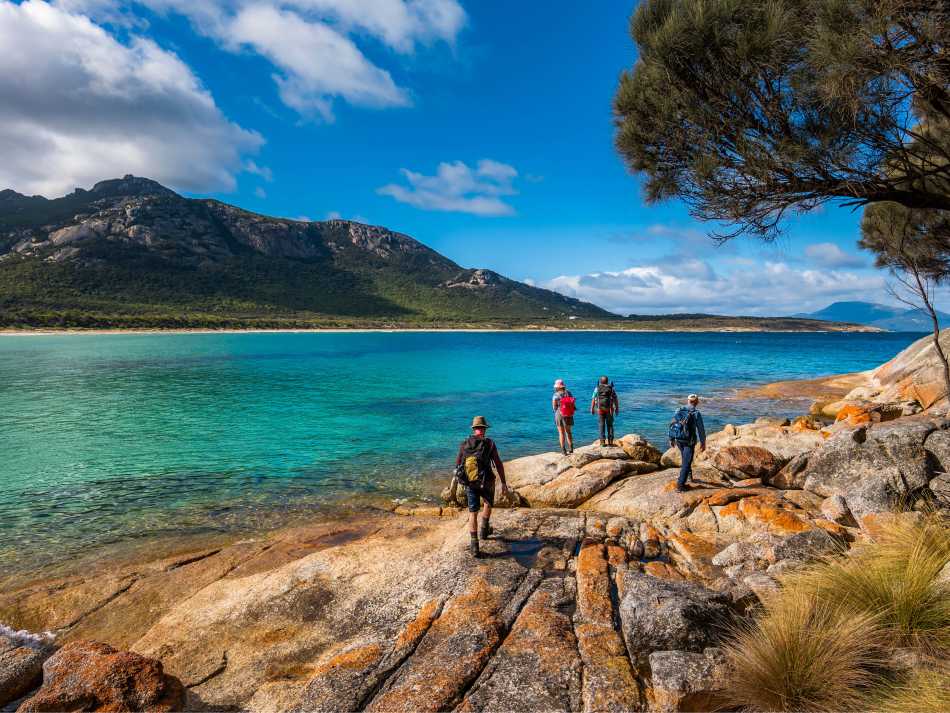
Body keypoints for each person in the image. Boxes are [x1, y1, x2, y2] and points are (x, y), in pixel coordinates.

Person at [455, 416, 509, 557]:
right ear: (484, 429)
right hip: (487, 481)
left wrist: (459, 482)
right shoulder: (489, 443)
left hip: (471, 483)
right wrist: (503, 482)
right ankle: (484, 530)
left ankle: (474, 546)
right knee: (487, 503)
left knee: (472, 513)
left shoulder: (464, 444)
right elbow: (498, 463)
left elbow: (458, 465)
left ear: (474, 429)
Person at [669, 394, 707, 493]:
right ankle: (680, 485)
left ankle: (689, 475)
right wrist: (703, 442)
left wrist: (671, 438)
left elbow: (672, 424)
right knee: (686, 462)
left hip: (679, 439)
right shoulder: (696, 413)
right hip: (689, 441)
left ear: (688, 401)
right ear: (697, 401)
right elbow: (701, 430)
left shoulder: (678, 410)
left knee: (685, 458)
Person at [590, 376, 619, 446]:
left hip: (600, 409)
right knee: (610, 425)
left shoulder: (597, 388)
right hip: (609, 409)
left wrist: (592, 408)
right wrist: (617, 408)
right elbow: (615, 399)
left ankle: (602, 442)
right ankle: (610, 441)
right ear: (607, 381)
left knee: (601, 425)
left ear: (600, 381)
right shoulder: (611, 388)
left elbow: (593, 399)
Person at [552, 379, 576, 455]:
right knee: (568, 432)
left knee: (561, 433)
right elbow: (573, 403)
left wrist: (557, 410)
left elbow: (554, 407)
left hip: (559, 414)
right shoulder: (569, 393)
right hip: (569, 414)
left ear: (557, 387)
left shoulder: (555, 395)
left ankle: (564, 451)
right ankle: (571, 448)